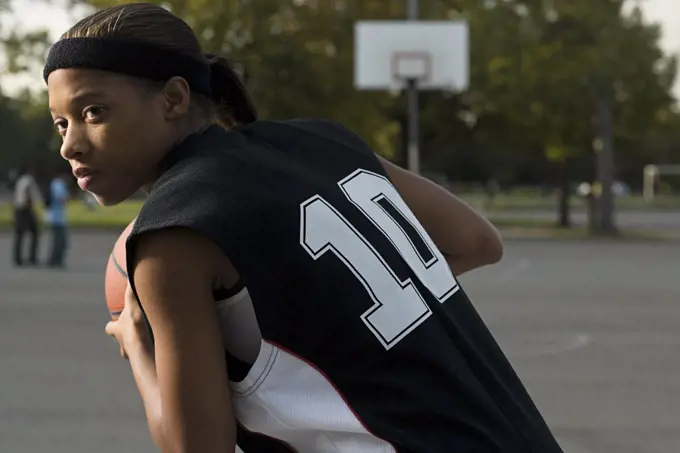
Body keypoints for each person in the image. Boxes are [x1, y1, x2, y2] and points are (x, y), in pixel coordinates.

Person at [44, 3, 563, 453]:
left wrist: (140, 347)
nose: (71, 144)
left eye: (94, 111)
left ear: (175, 99)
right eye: (61, 123)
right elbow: (476, 242)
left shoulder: (173, 236)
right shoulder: (323, 141)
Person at [12, 164, 42, 266]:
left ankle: (17, 258)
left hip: (18, 208)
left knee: (19, 234)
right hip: (26, 209)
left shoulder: (20, 180)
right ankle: (32, 257)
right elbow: (30, 193)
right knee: (35, 233)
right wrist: (35, 206)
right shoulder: (29, 180)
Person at [46, 171, 70, 267]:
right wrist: (66, 199)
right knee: (59, 240)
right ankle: (56, 260)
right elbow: (61, 198)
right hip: (57, 217)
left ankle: (55, 259)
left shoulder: (54, 183)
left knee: (57, 239)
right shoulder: (58, 184)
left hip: (55, 216)